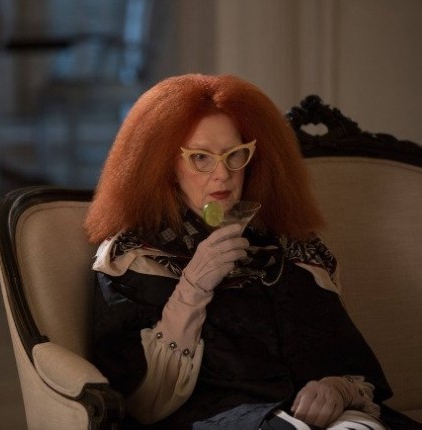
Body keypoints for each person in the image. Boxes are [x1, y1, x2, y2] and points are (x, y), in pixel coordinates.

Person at [84, 74, 421, 429]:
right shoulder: (132, 257)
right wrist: (192, 288)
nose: (222, 175)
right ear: (166, 166)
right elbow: (141, 403)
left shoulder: (294, 247)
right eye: (200, 158)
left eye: (235, 155)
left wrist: (337, 389)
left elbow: (346, 360)